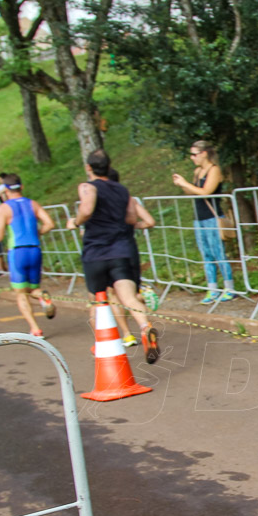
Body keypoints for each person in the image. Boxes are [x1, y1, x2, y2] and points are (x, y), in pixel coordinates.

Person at [70, 150, 160, 364]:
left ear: (88, 167)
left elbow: (87, 208)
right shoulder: (122, 190)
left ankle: (101, 340)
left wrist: (76, 221)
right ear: (109, 167)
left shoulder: (87, 186)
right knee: (127, 297)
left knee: (97, 300)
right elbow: (130, 217)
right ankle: (145, 327)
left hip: (96, 252)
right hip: (121, 250)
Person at [0, 174, 56, 337]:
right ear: (22, 187)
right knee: (33, 288)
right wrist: (38, 232)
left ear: (6, 190)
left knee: (20, 292)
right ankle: (43, 297)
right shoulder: (32, 204)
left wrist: (0, 230)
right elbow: (50, 223)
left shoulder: (4, 208)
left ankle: (35, 329)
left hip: (17, 251)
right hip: (34, 248)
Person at [171, 141, 237, 304]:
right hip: (198, 218)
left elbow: (206, 192)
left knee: (218, 253)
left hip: (212, 217)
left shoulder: (214, 170)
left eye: (194, 154)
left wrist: (186, 184)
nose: (192, 158)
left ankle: (229, 288)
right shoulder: (197, 171)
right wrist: (182, 184)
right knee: (206, 254)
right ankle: (212, 289)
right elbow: (193, 192)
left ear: (204, 153)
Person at [105, 168, 157, 348]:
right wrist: (134, 225)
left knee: (114, 293)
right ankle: (144, 320)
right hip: (130, 250)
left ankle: (127, 334)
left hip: (110, 251)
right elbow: (150, 221)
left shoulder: (101, 203)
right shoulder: (129, 200)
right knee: (130, 293)